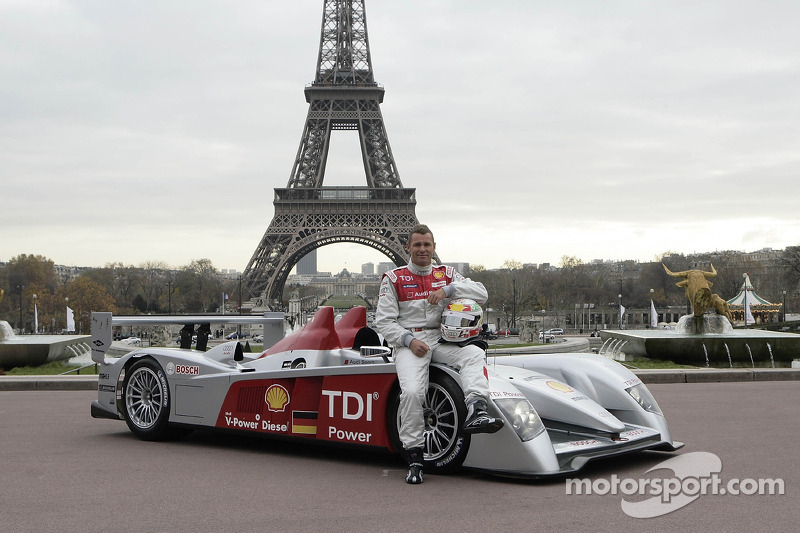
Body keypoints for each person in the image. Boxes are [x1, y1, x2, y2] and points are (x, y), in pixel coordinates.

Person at [375, 224, 503, 484]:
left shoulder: (448, 275)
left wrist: (450, 290)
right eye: (418, 245)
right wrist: (409, 340)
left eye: (427, 245)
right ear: (408, 247)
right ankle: (414, 456)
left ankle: (477, 409)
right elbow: (384, 322)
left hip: (442, 338)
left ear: (434, 248)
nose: (423, 249)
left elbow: (482, 293)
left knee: (473, 355)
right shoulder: (394, 278)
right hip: (410, 343)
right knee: (411, 392)